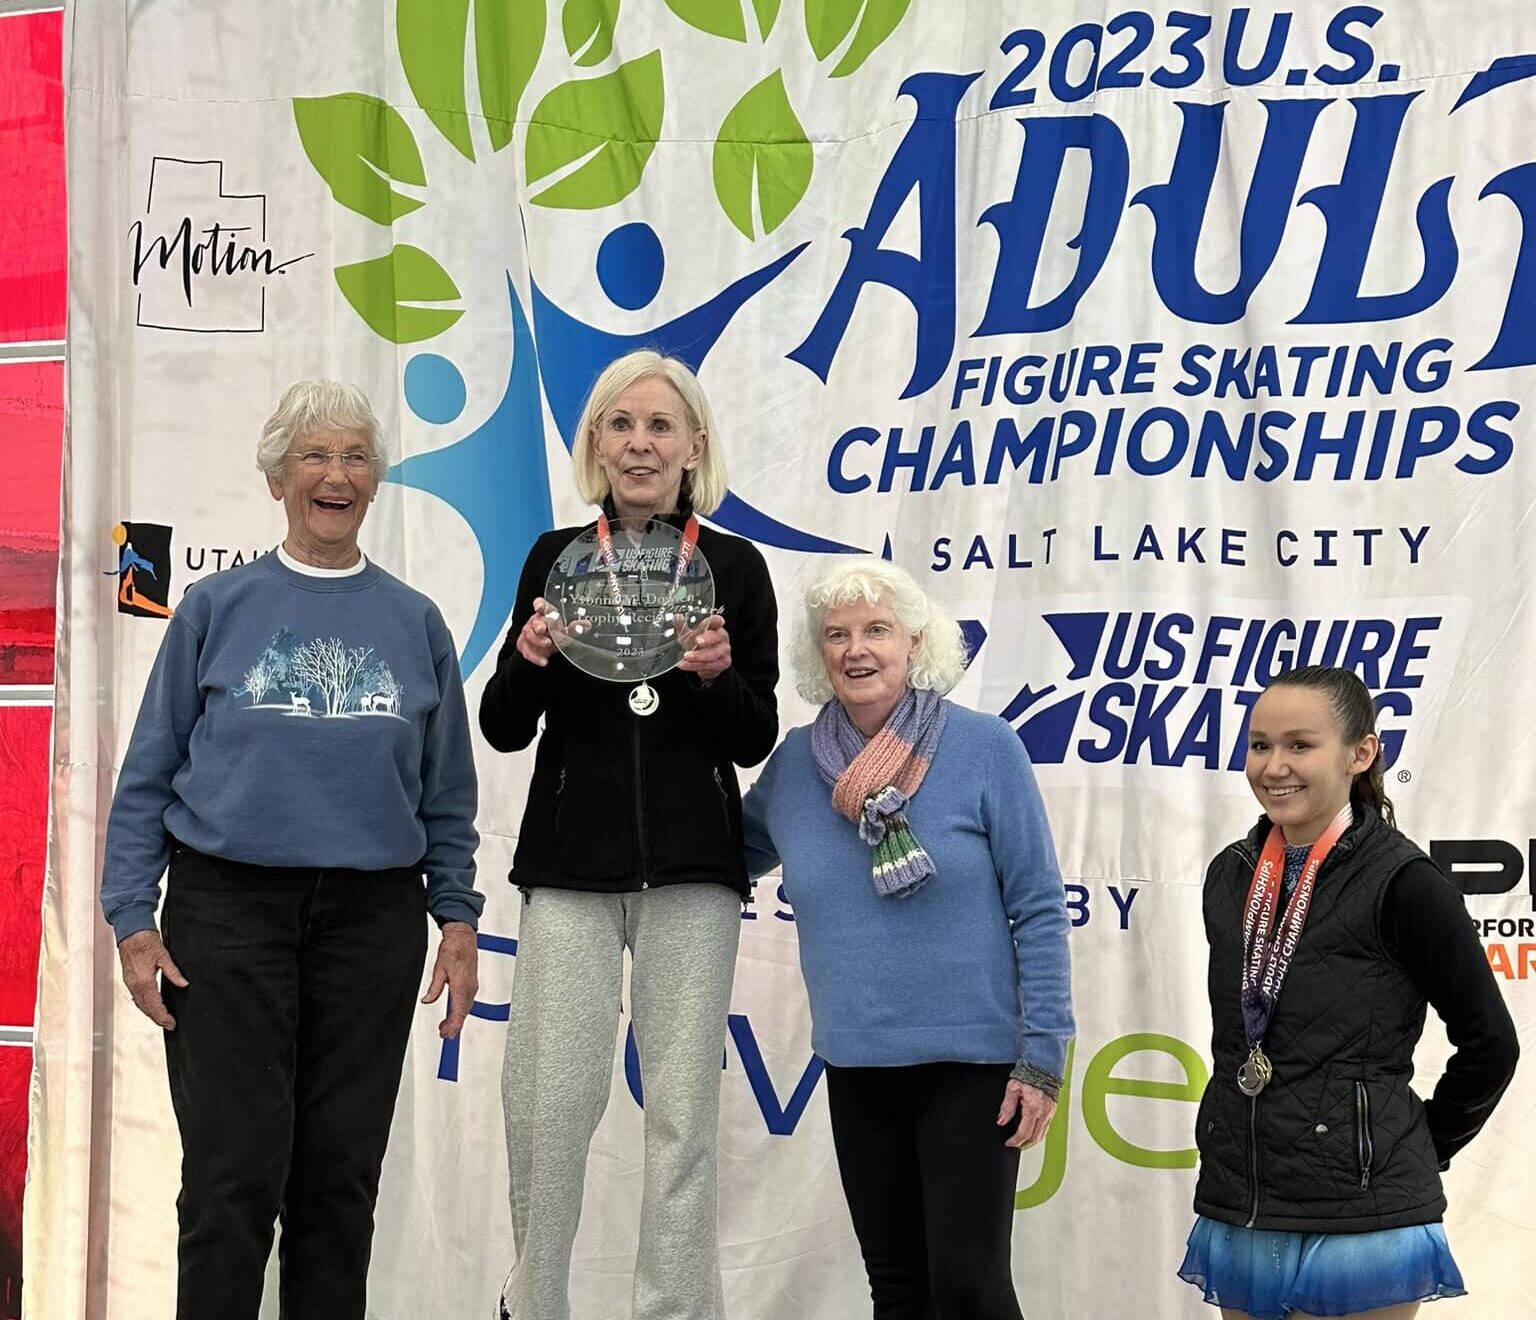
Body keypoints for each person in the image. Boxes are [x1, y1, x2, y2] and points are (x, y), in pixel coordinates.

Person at [99, 380, 483, 1320]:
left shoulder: (417, 623)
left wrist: (459, 917)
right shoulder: (211, 607)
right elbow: (148, 773)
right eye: (314, 456)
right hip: (225, 918)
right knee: (232, 1186)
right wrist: (130, 921)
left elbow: (447, 794)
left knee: (340, 1187)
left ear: (376, 482)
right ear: (277, 478)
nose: (336, 475)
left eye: (355, 457)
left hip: (373, 922)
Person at [480, 349, 779, 1320]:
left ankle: (676, 1312)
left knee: (682, 1117)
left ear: (694, 446)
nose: (640, 443)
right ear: (595, 446)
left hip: (693, 872)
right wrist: (526, 662)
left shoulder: (734, 566)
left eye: (659, 426)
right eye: (621, 425)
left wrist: (716, 677)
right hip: (569, 871)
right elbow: (503, 725)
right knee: (547, 1107)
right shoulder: (553, 557)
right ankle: (534, 1304)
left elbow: (752, 735)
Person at [741, 558, 1074, 1320]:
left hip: (973, 1064)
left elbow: (1039, 908)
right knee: (897, 1288)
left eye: (876, 630)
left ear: (915, 642)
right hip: (858, 1063)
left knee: (968, 1288)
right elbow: (721, 857)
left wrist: (1045, 1055)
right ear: (817, 654)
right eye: (837, 635)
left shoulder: (986, 747)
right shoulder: (795, 766)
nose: (856, 650)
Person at [1180, 665, 1520, 1320]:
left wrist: (1415, 1148)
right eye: (1259, 745)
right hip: (1244, 1197)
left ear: (1359, 754)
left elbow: (1491, 1045)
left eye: (1299, 745)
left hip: (1363, 1215)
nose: (1273, 766)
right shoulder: (1230, 874)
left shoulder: (1406, 882)